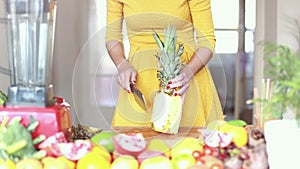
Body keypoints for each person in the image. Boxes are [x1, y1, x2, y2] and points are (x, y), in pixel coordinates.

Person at [105, 0, 224, 127]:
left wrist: (188, 72)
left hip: (185, 78)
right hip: (140, 81)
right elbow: (112, 36)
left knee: (191, 144)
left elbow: (207, 40)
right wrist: (122, 64)